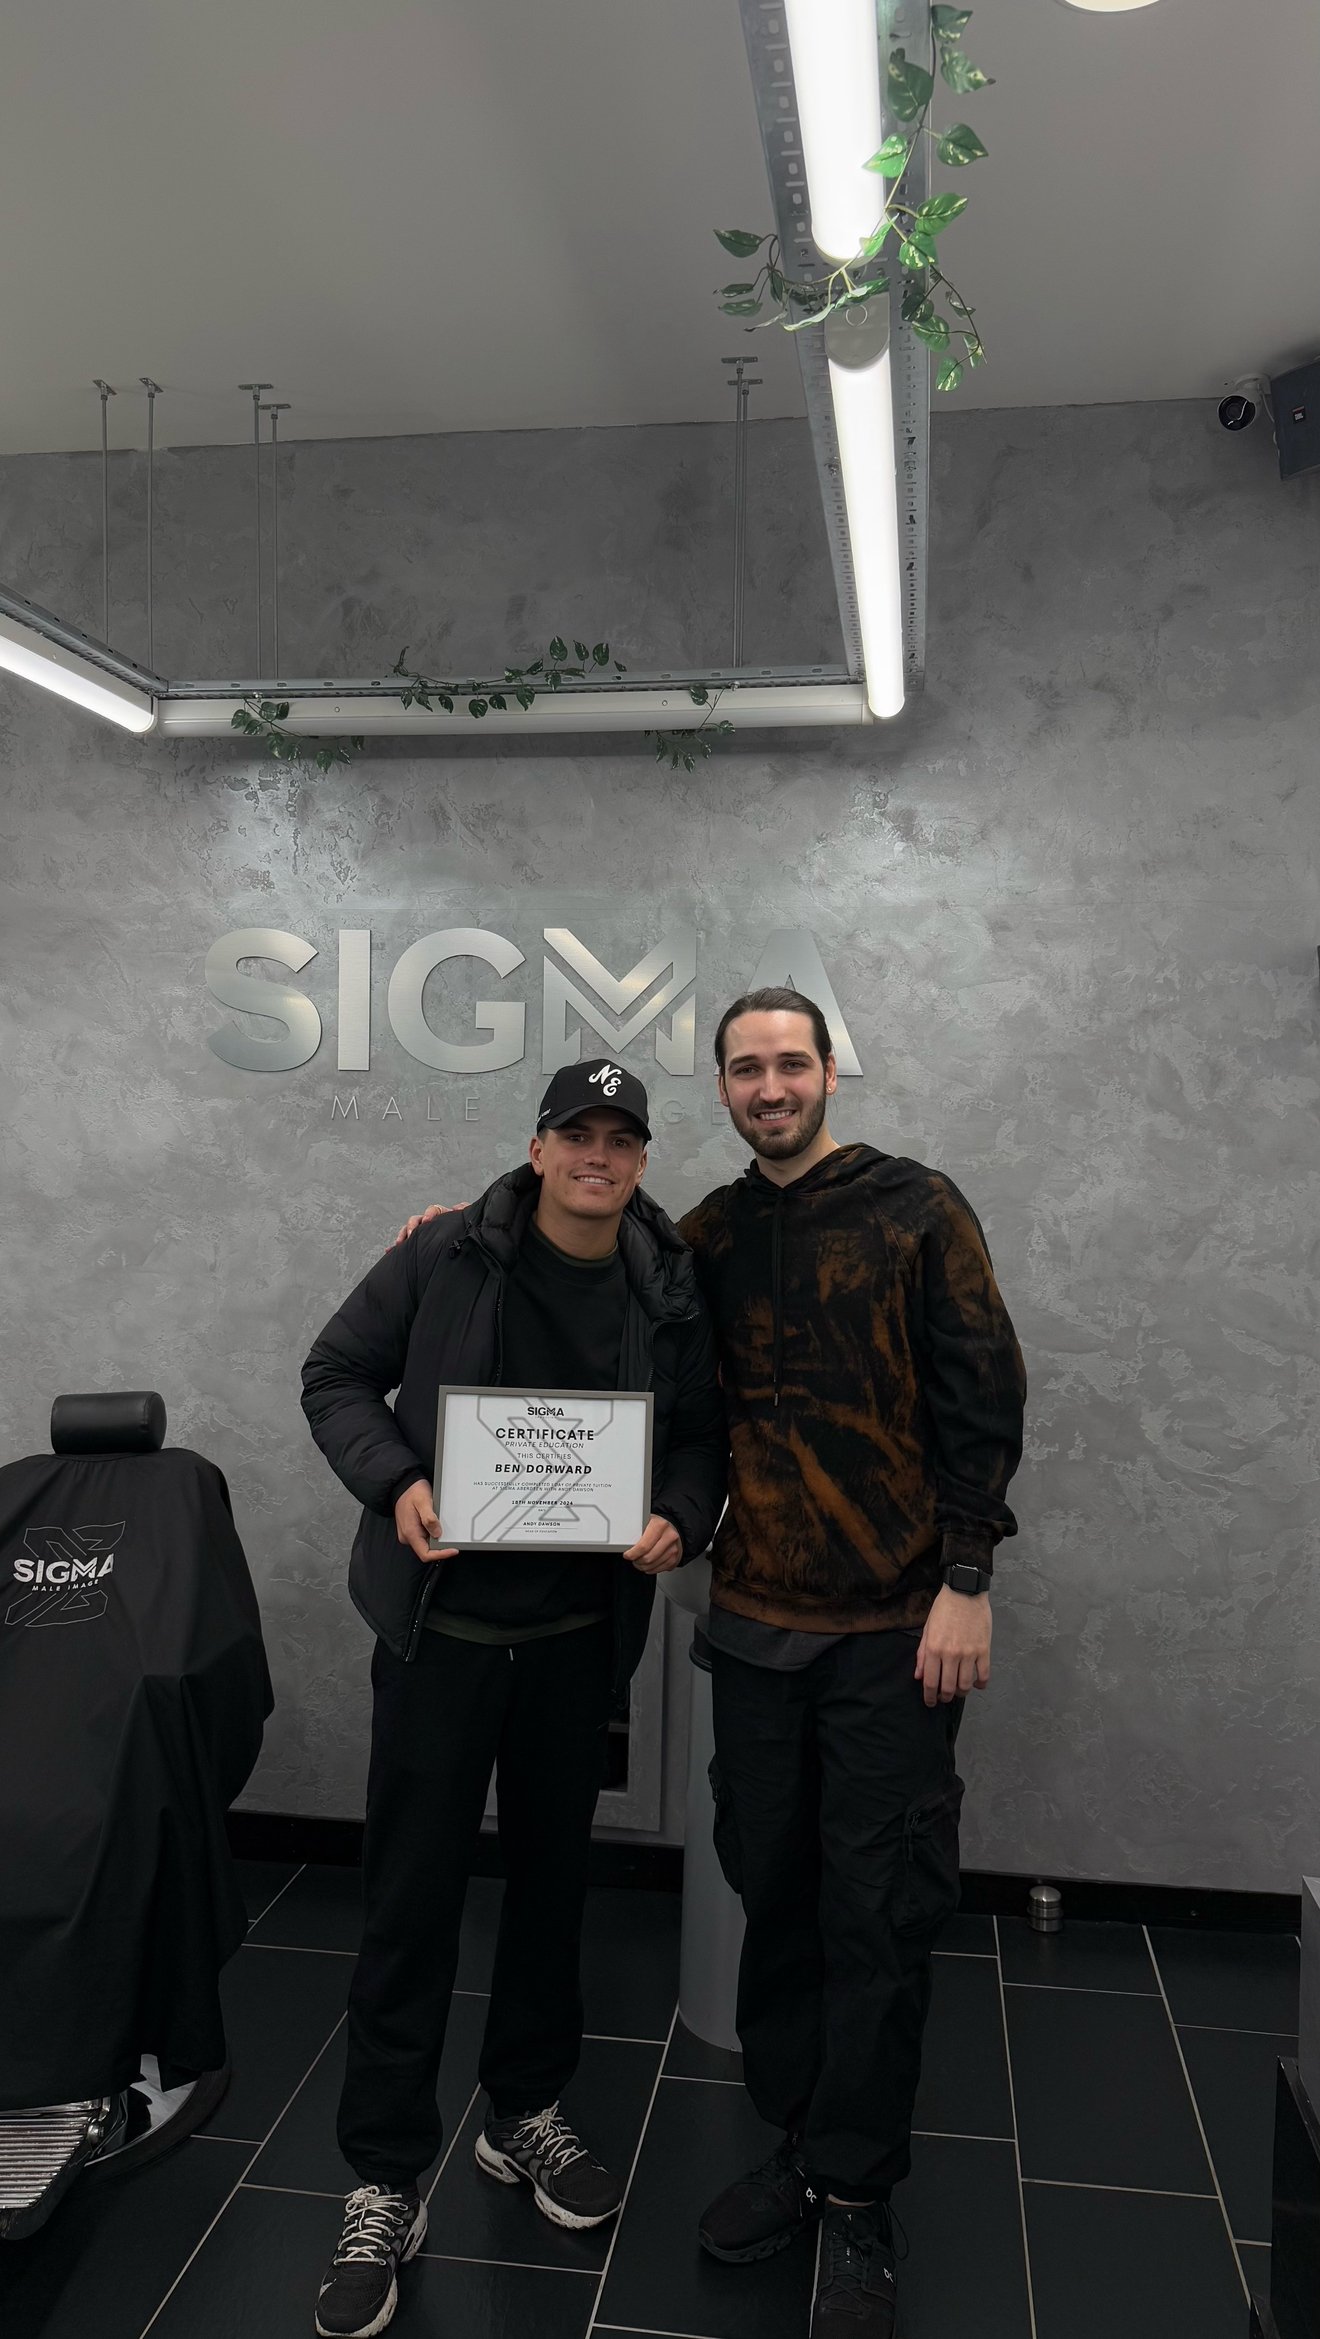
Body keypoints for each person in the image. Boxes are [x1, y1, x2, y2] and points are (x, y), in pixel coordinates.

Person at [395, 990, 1026, 2339]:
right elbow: (580, 1255)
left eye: (791, 1059)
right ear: (726, 1090)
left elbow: (987, 1394)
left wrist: (968, 1577)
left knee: (878, 1916)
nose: (771, 1082)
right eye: (747, 1066)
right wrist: (449, 1240)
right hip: (750, 1626)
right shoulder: (705, 1238)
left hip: (893, 1629)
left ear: (828, 1071)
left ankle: (860, 2198)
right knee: (777, 1896)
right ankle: (800, 2150)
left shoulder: (920, 1208)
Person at [300, 1057, 726, 2339]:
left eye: (622, 1137)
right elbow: (334, 1374)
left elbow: (703, 1432)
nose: (598, 1154)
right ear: (538, 1147)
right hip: (442, 1635)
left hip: (574, 1640)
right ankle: (383, 2173)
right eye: (575, 1133)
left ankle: (522, 2114)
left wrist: (679, 1515)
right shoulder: (440, 1256)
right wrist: (394, 1483)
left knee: (552, 1889)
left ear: (643, 1158)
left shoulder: (667, 1279)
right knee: (411, 1898)